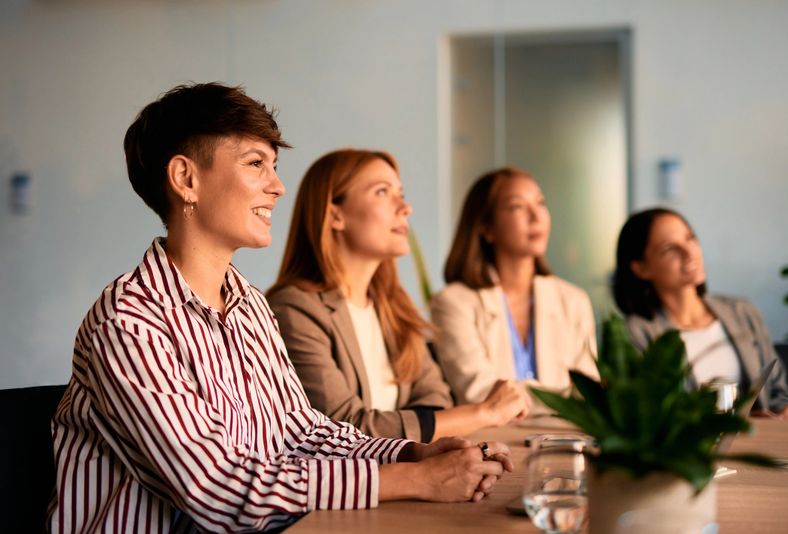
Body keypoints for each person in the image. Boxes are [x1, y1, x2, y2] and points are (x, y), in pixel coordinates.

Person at [48, 84, 512, 533]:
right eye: (256, 164)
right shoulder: (128, 320)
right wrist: (417, 481)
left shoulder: (248, 304)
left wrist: (412, 454)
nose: (278, 187)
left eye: (273, 165)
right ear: (185, 179)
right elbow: (216, 491)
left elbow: (304, 433)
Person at [267, 149, 528, 443]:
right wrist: (482, 413)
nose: (405, 207)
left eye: (400, 193)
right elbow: (342, 427)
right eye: (382, 192)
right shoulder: (294, 308)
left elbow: (435, 400)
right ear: (335, 215)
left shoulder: (394, 306)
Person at [430, 167, 597, 407]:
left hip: (564, 441)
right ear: (486, 228)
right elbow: (480, 393)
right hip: (491, 440)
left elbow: (587, 394)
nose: (536, 216)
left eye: (541, 203)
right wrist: (560, 400)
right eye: (517, 206)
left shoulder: (574, 300)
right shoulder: (452, 303)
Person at [612, 207, 788, 420]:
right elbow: (643, 416)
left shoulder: (741, 312)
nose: (689, 253)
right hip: (688, 453)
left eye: (690, 238)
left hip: (761, 448)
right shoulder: (636, 332)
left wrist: (784, 413)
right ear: (641, 268)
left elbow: (779, 391)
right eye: (670, 249)